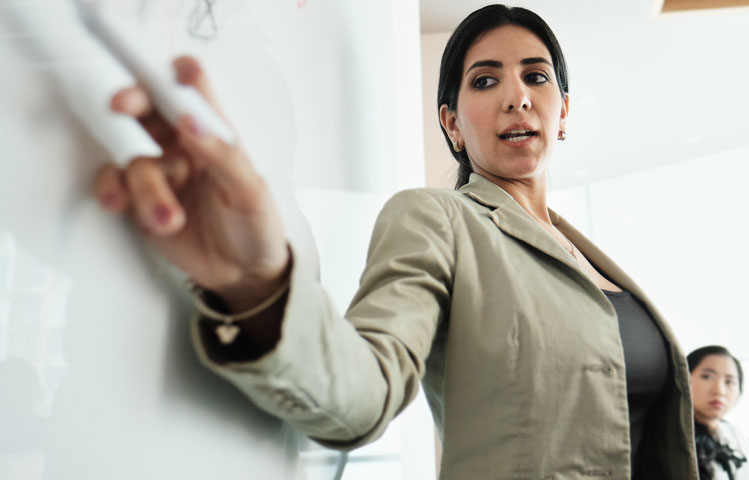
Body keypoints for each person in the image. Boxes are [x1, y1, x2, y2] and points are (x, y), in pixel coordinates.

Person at [90, 5, 700, 479]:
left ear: (562, 110)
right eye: (485, 81)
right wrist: (255, 284)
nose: (516, 95)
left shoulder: (589, 254)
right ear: (452, 124)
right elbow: (363, 393)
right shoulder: (436, 219)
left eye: (535, 77)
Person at [686, 346, 749, 480]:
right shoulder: (675, 434)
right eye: (707, 376)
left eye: (729, 381)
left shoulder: (734, 433)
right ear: (685, 378)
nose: (719, 391)